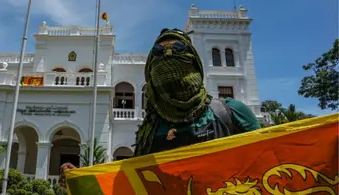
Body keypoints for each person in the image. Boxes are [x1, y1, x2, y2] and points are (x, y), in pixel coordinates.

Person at [59, 28, 260, 183]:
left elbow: (268, 161)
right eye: (158, 52)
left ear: (194, 62)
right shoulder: (151, 129)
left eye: (178, 49)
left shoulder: (230, 113)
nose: (168, 56)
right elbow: (129, 180)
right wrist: (82, 178)